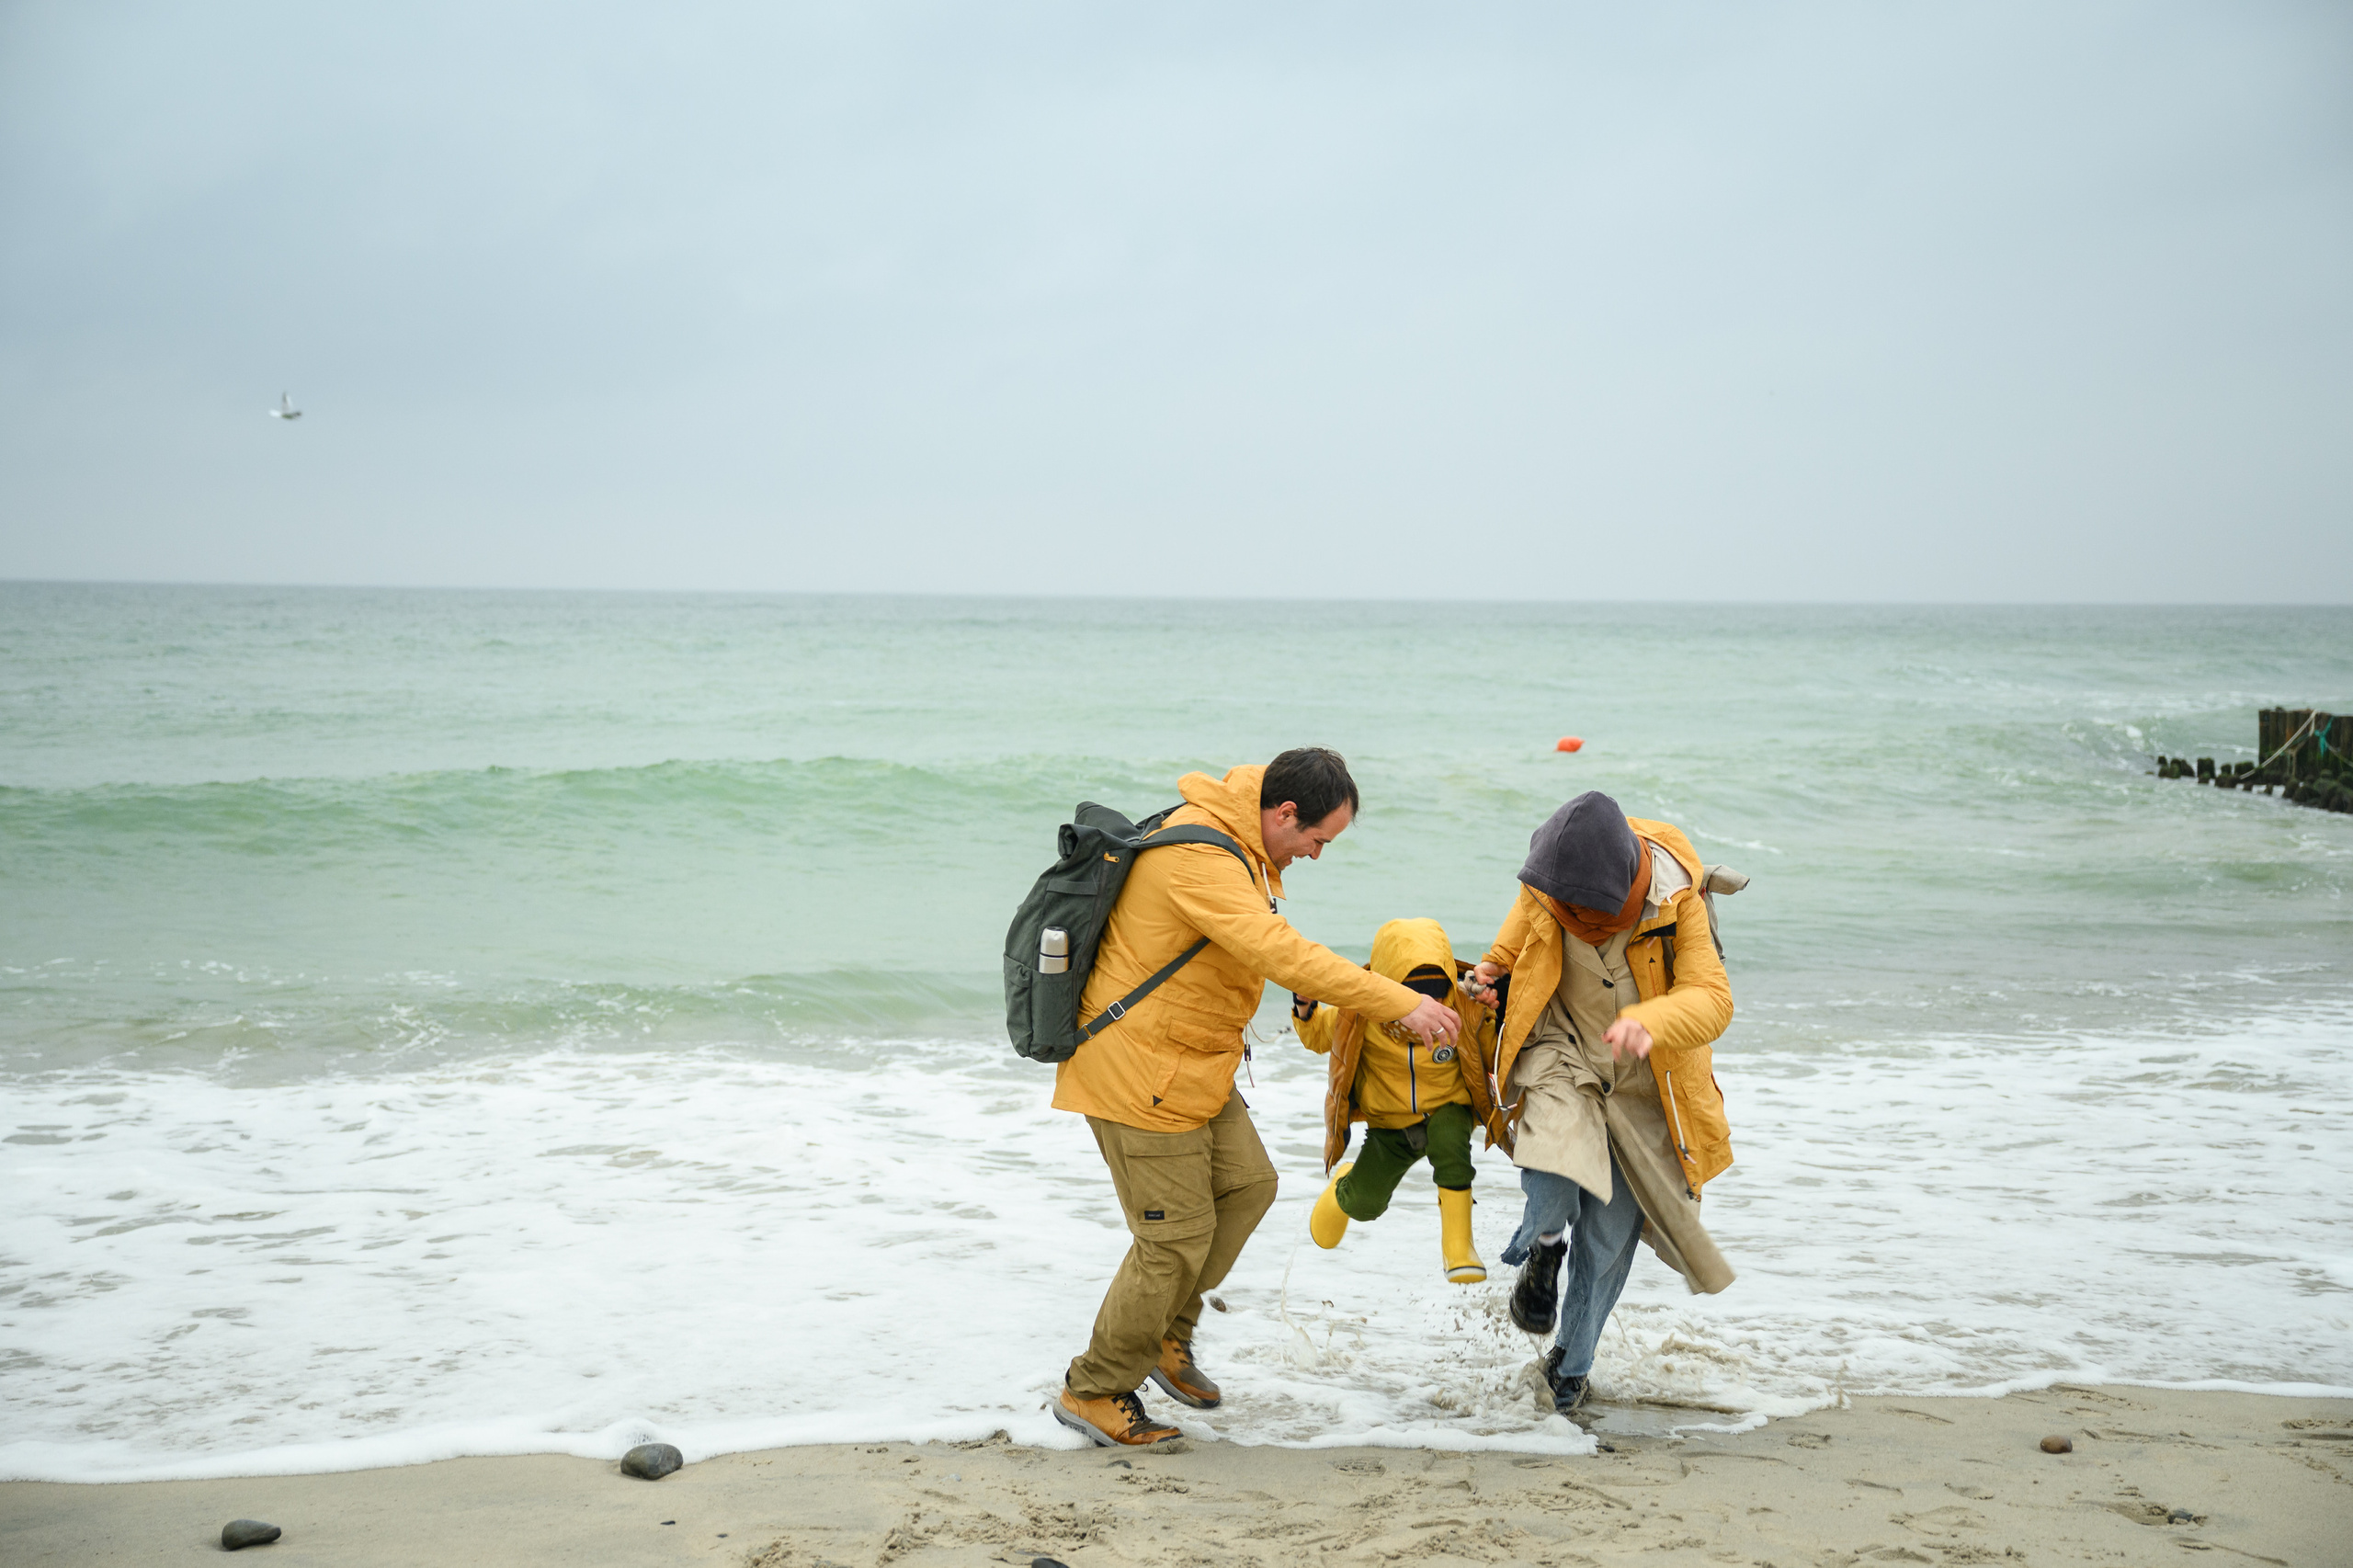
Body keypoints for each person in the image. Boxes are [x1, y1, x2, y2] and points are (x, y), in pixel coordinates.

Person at [1050, 748, 1464, 1448]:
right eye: (1316, 839)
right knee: (1173, 1240)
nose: (1316, 854)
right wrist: (1398, 1002)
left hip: (1194, 1062)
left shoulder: (1242, 847)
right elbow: (1282, 954)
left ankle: (1163, 1339)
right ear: (1284, 813)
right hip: (1140, 1069)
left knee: (1248, 1187)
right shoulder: (1202, 858)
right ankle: (1093, 1388)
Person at [1464, 790, 1742, 1415]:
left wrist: (1655, 1019)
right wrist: (1487, 976)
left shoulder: (1677, 899)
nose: (1576, 922)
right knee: (1556, 1154)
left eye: (1590, 915)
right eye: (1566, 911)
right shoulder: (1546, 879)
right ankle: (1542, 1246)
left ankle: (1570, 1370)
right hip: (1561, 1046)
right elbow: (1508, 950)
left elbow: (1713, 998)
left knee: (1610, 1236)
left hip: (1647, 1079)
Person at [1292, 917, 1504, 1283]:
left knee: (1452, 1145)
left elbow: (1492, 1054)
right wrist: (1304, 1008)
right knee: (1365, 1205)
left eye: (1439, 994)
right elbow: (1317, 1038)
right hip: (1390, 1124)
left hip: (1446, 1108)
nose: (1432, 1004)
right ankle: (1345, 1186)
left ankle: (1459, 1245)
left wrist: (1491, 1015)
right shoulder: (1358, 1013)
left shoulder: (1464, 1008)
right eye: (1418, 997)